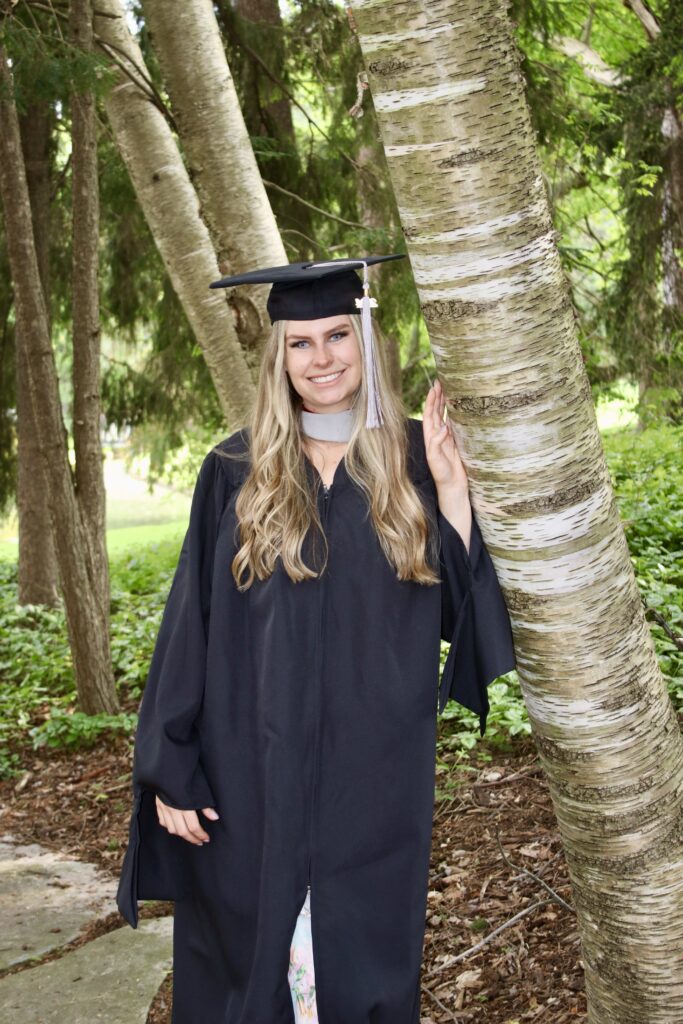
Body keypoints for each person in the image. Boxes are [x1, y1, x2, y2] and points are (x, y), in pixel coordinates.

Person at [115, 254, 516, 1024]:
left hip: (374, 771)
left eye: (338, 335)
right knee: (247, 956)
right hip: (248, 766)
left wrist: (454, 489)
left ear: (367, 341)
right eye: (301, 343)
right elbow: (188, 626)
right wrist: (170, 765)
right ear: (278, 358)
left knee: (360, 958)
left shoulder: (409, 462)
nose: (322, 358)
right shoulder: (236, 470)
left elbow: (454, 615)